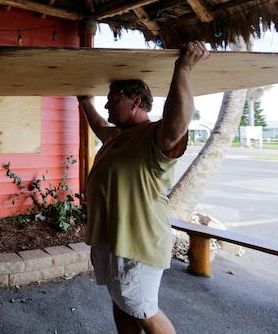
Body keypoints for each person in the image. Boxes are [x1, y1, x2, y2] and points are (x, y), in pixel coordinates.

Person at [77, 40, 210, 334]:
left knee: (143, 308)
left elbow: (177, 125)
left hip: (138, 242)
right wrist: (85, 101)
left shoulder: (154, 138)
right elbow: (99, 125)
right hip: (115, 239)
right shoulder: (119, 135)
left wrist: (184, 69)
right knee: (122, 301)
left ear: (135, 102)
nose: (107, 105)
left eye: (113, 100)